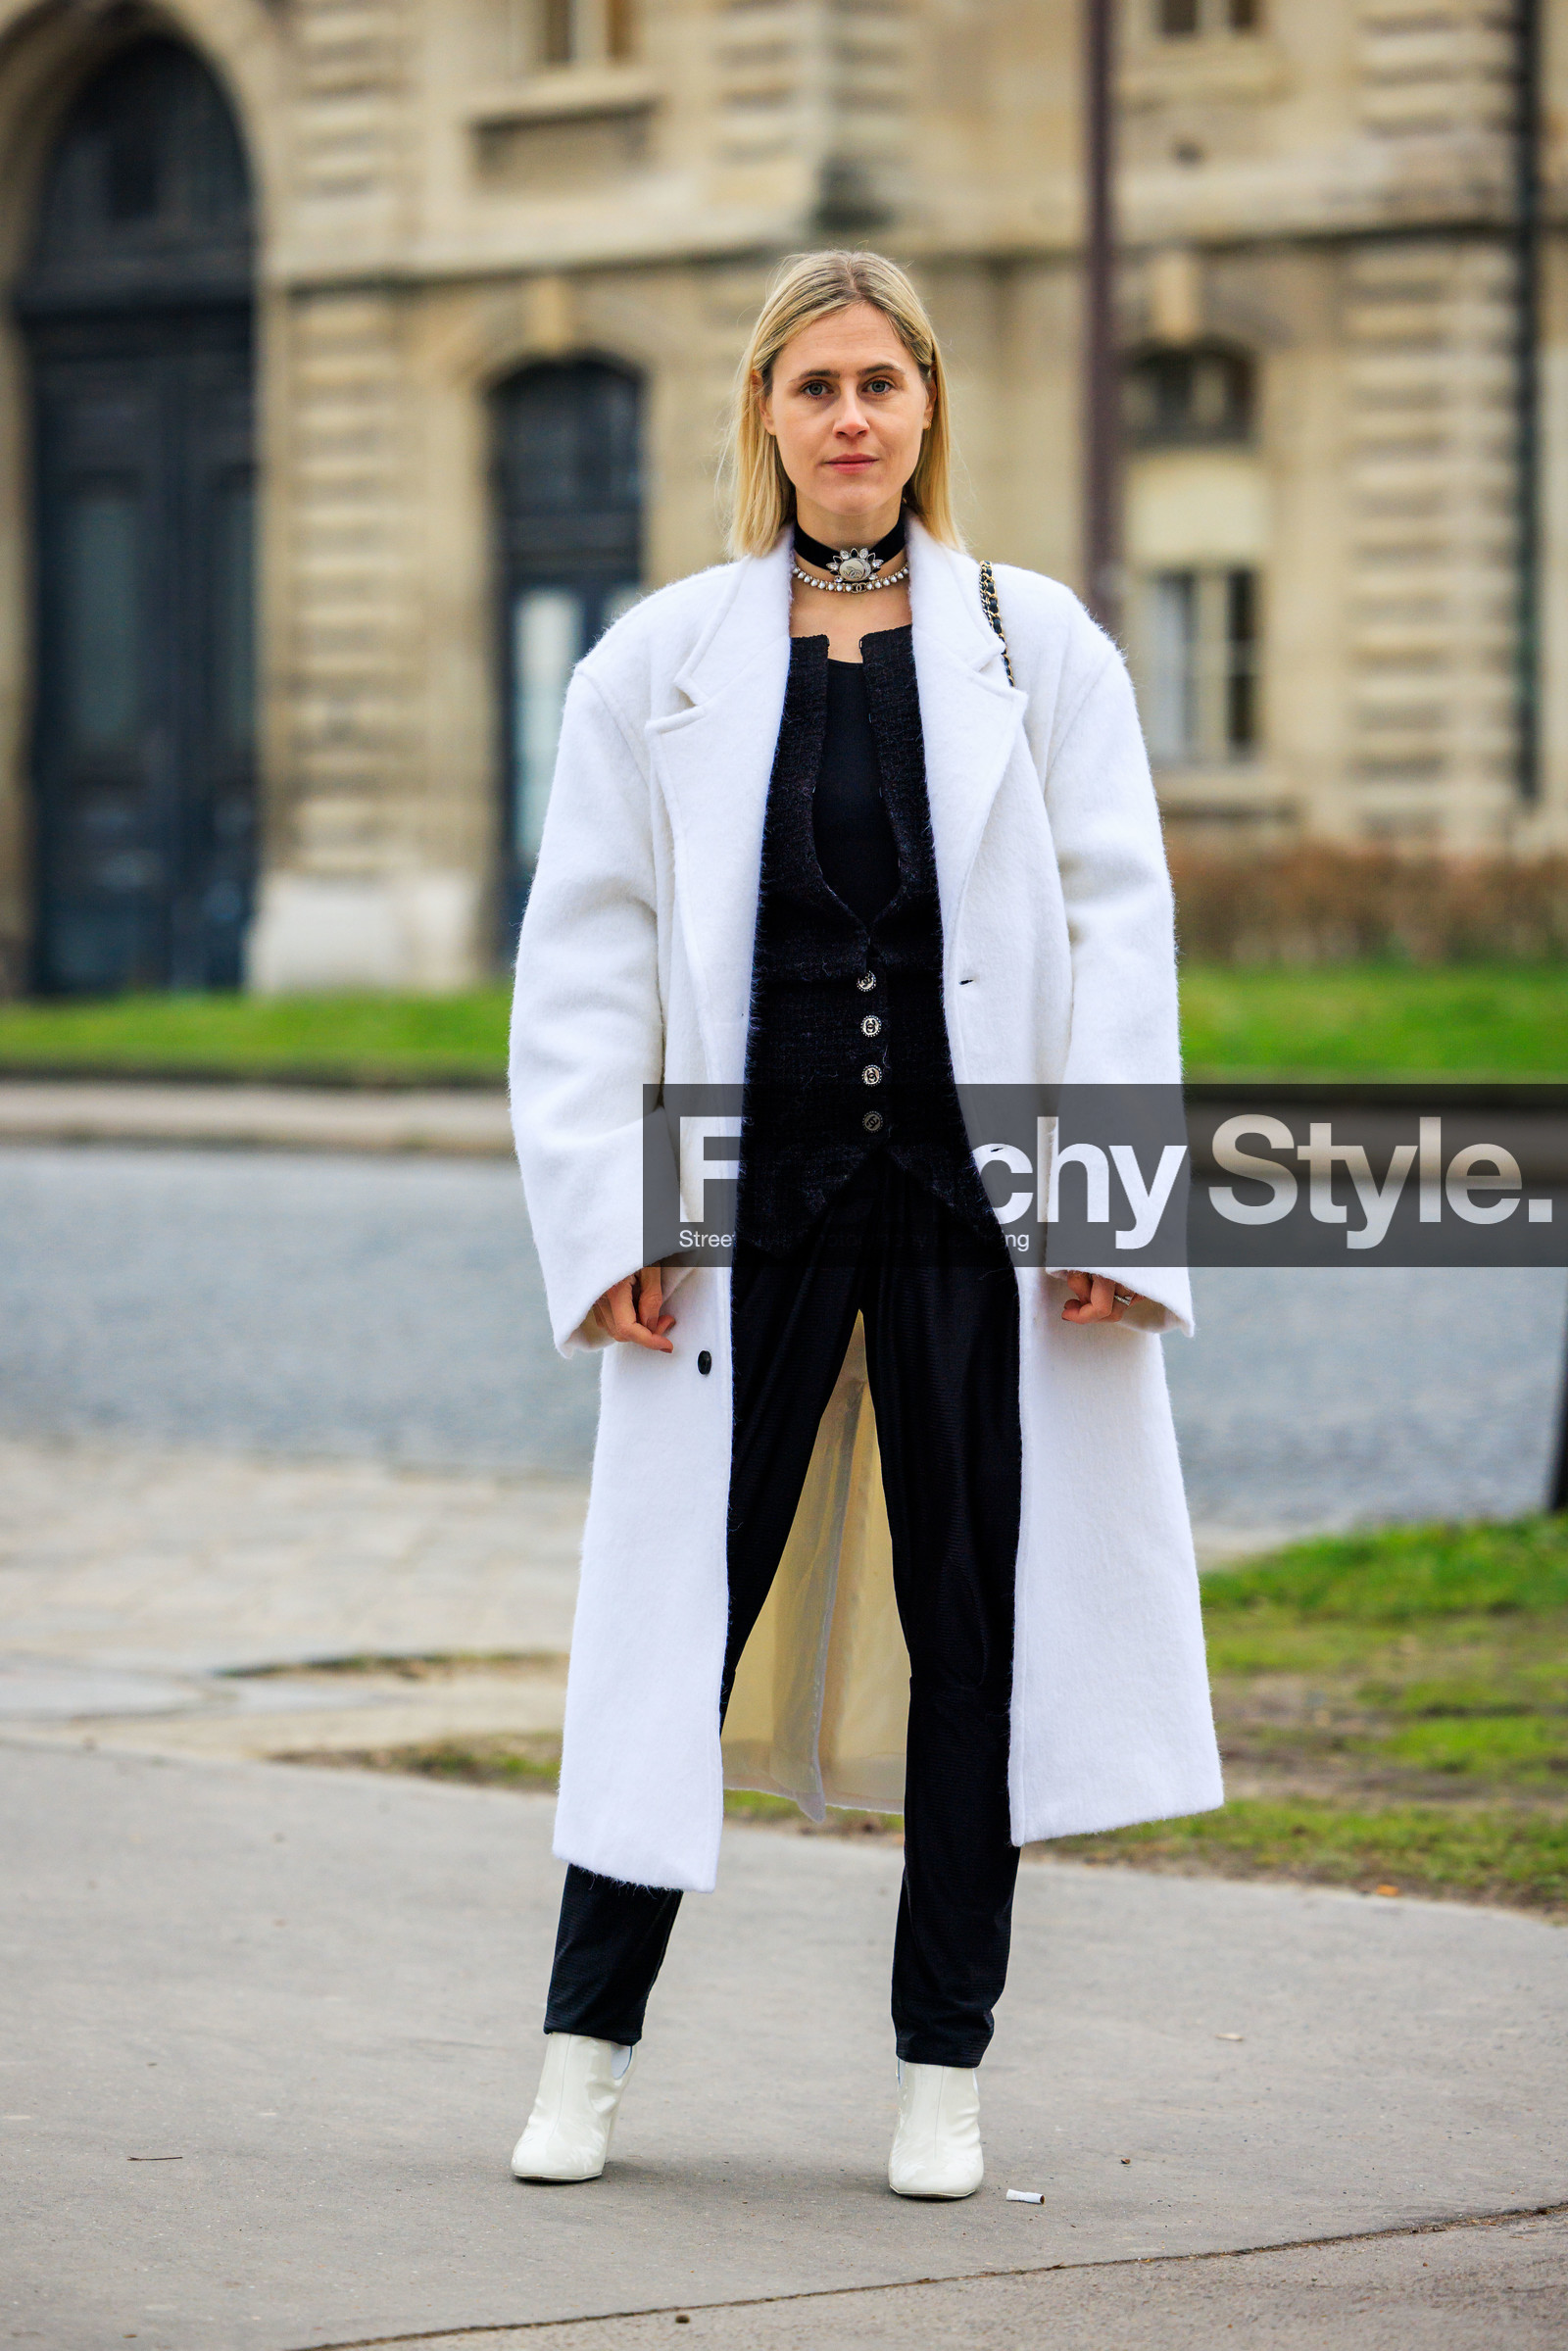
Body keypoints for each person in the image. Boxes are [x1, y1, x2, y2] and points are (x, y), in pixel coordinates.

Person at [506, 248, 1222, 2200]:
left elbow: (1114, 931)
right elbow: (588, 968)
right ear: (763, 411)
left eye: (878, 385)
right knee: (677, 1628)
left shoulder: (1037, 642)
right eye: (812, 385)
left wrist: (1104, 1198)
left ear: (925, 409)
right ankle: (580, 2052)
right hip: (742, 1206)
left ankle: (940, 2073)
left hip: (971, 1220)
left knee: (973, 1631)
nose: (846, 418)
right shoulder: (656, 658)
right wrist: (622, 1220)